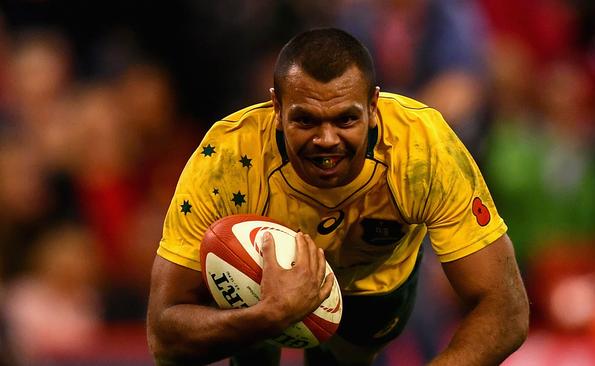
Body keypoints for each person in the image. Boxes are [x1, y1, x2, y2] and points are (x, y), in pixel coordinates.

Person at [146, 28, 529, 366]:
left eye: (346, 119)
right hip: (260, 291)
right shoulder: (226, 159)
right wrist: (268, 315)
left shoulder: (423, 148)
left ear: (373, 108)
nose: (326, 140)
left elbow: (507, 311)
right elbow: (164, 338)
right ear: (276, 109)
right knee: (253, 348)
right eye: (306, 120)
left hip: (375, 284)